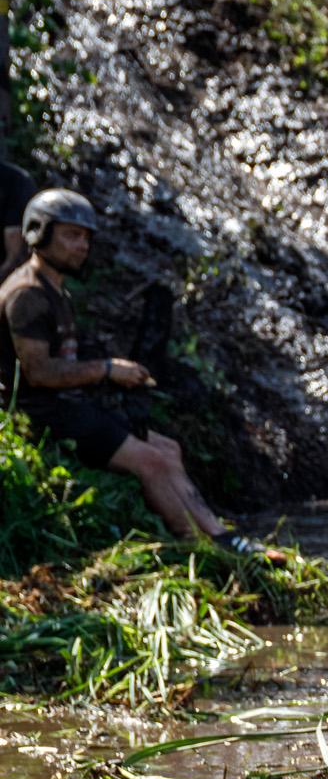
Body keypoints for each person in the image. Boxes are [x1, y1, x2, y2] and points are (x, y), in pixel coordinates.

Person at [4, 189, 228, 542]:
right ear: (39, 233)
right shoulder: (27, 295)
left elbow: (66, 361)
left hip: (71, 405)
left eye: (86, 238)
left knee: (169, 449)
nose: (82, 246)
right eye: (71, 235)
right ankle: (198, 543)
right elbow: (39, 372)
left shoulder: (56, 290)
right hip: (43, 414)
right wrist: (107, 369)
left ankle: (218, 534)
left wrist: (117, 374)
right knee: (150, 461)